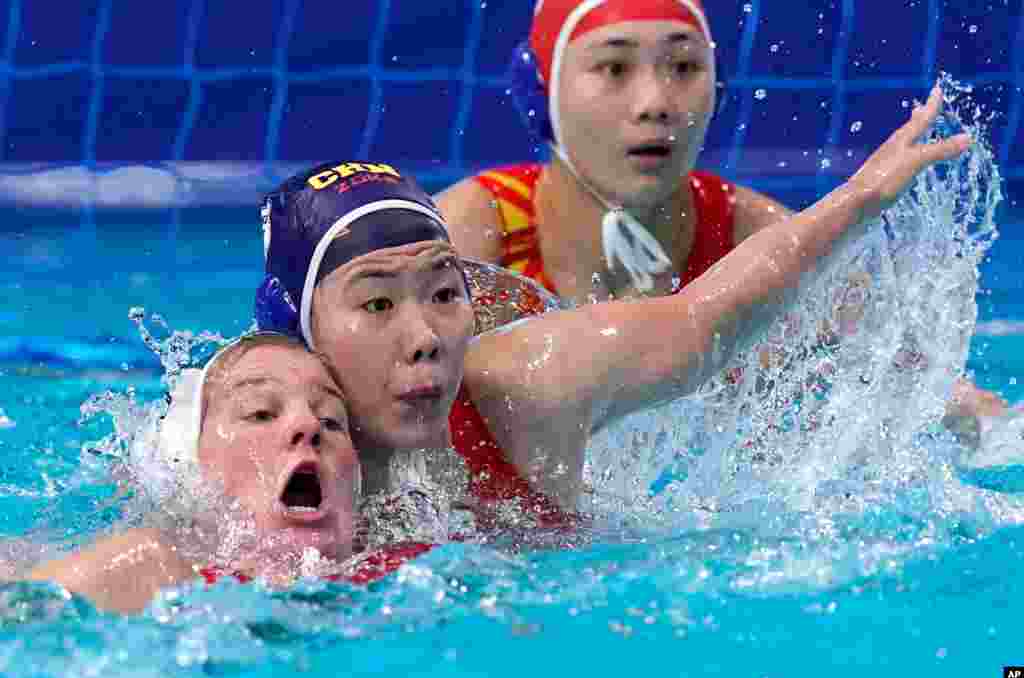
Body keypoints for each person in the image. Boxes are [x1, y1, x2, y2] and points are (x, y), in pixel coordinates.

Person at [254, 84, 970, 524]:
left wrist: (860, 198)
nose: (425, 337)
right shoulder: (234, 447)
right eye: (377, 305)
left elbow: (702, 322)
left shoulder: (526, 388)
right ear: (298, 330)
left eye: (445, 293)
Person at [434, 0, 1005, 424]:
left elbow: (923, 389)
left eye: (683, 68)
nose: (655, 103)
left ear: (719, 89)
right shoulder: (465, 238)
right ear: (540, 92)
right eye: (614, 69)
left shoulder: (756, 236)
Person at [25, 333, 421, 613]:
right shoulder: (146, 575)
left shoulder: (413, 575)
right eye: (261, 413)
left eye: (332, 421)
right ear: (189, 468)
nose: (308, 425)